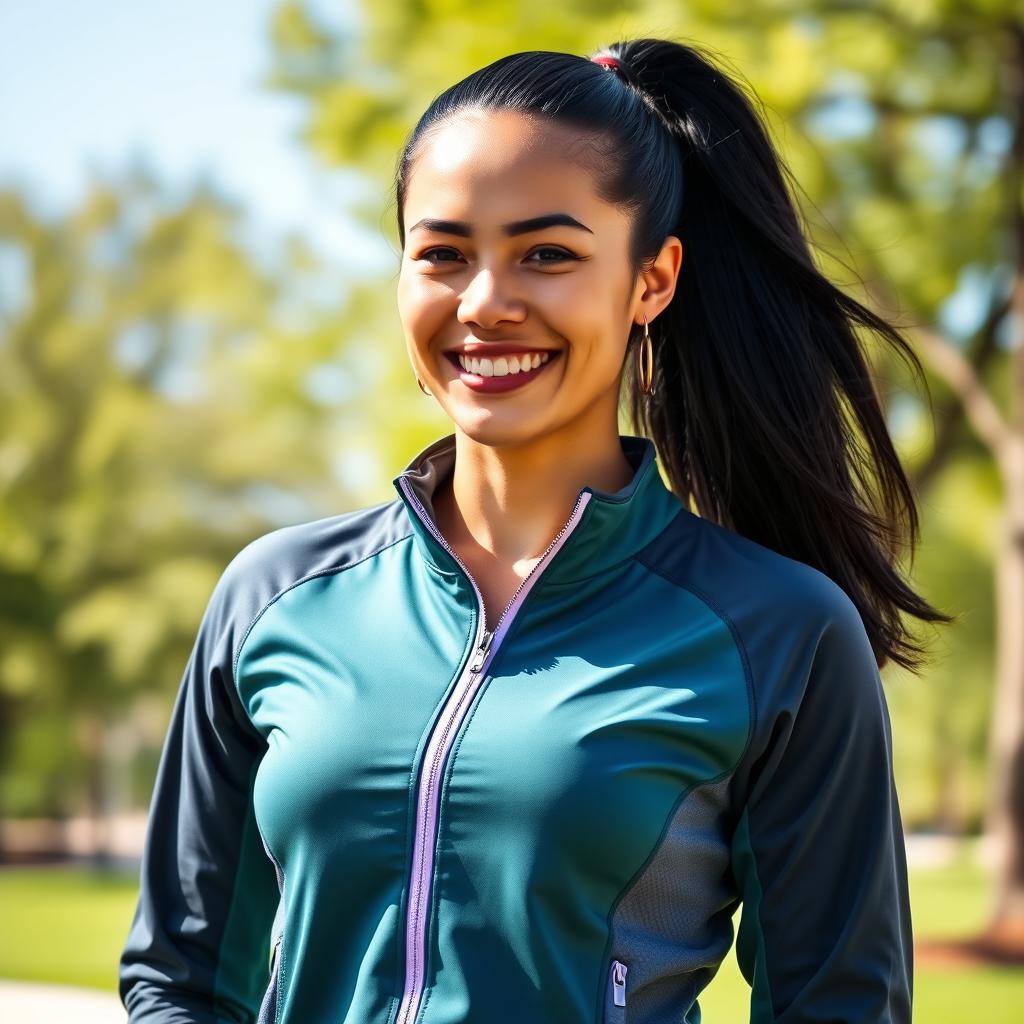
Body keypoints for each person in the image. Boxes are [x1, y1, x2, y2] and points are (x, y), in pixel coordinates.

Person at [119, 36, 953, 1024]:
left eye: (546, 254)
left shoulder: (779, 629)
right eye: (442, 254)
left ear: (653, 279)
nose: (484, 303)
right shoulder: (275, 597)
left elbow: (839, 1006)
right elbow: (178, 977)